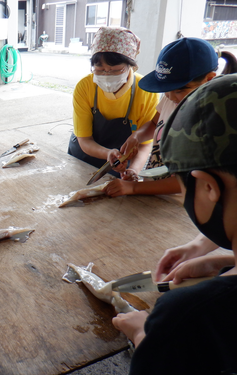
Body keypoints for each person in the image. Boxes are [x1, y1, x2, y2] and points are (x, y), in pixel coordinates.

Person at [112, 74, 237, 375]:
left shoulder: (187, 315)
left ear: (208, 187)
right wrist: (222, 263)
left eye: (182, 187)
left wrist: (146, 335)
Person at [105, 37, 237, 197]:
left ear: (208, 79)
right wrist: (137, 136)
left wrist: (133, 189)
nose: (169, 95)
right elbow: (154, 123)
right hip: (152, 193)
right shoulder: (170, 99)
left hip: (182, 205)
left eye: (178, 90)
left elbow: (192, 180)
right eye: (165, 89)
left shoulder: (212, 118)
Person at [68, 26, 158, 177]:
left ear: (131, 66)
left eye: (115, 70)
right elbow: (84, 140)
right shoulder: (85, 87)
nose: (107, 74)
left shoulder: (145, 90)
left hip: (122, 162)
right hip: (84, 156)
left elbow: (143, 144)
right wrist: (108, 153)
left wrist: (133, 171)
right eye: (99, 68)